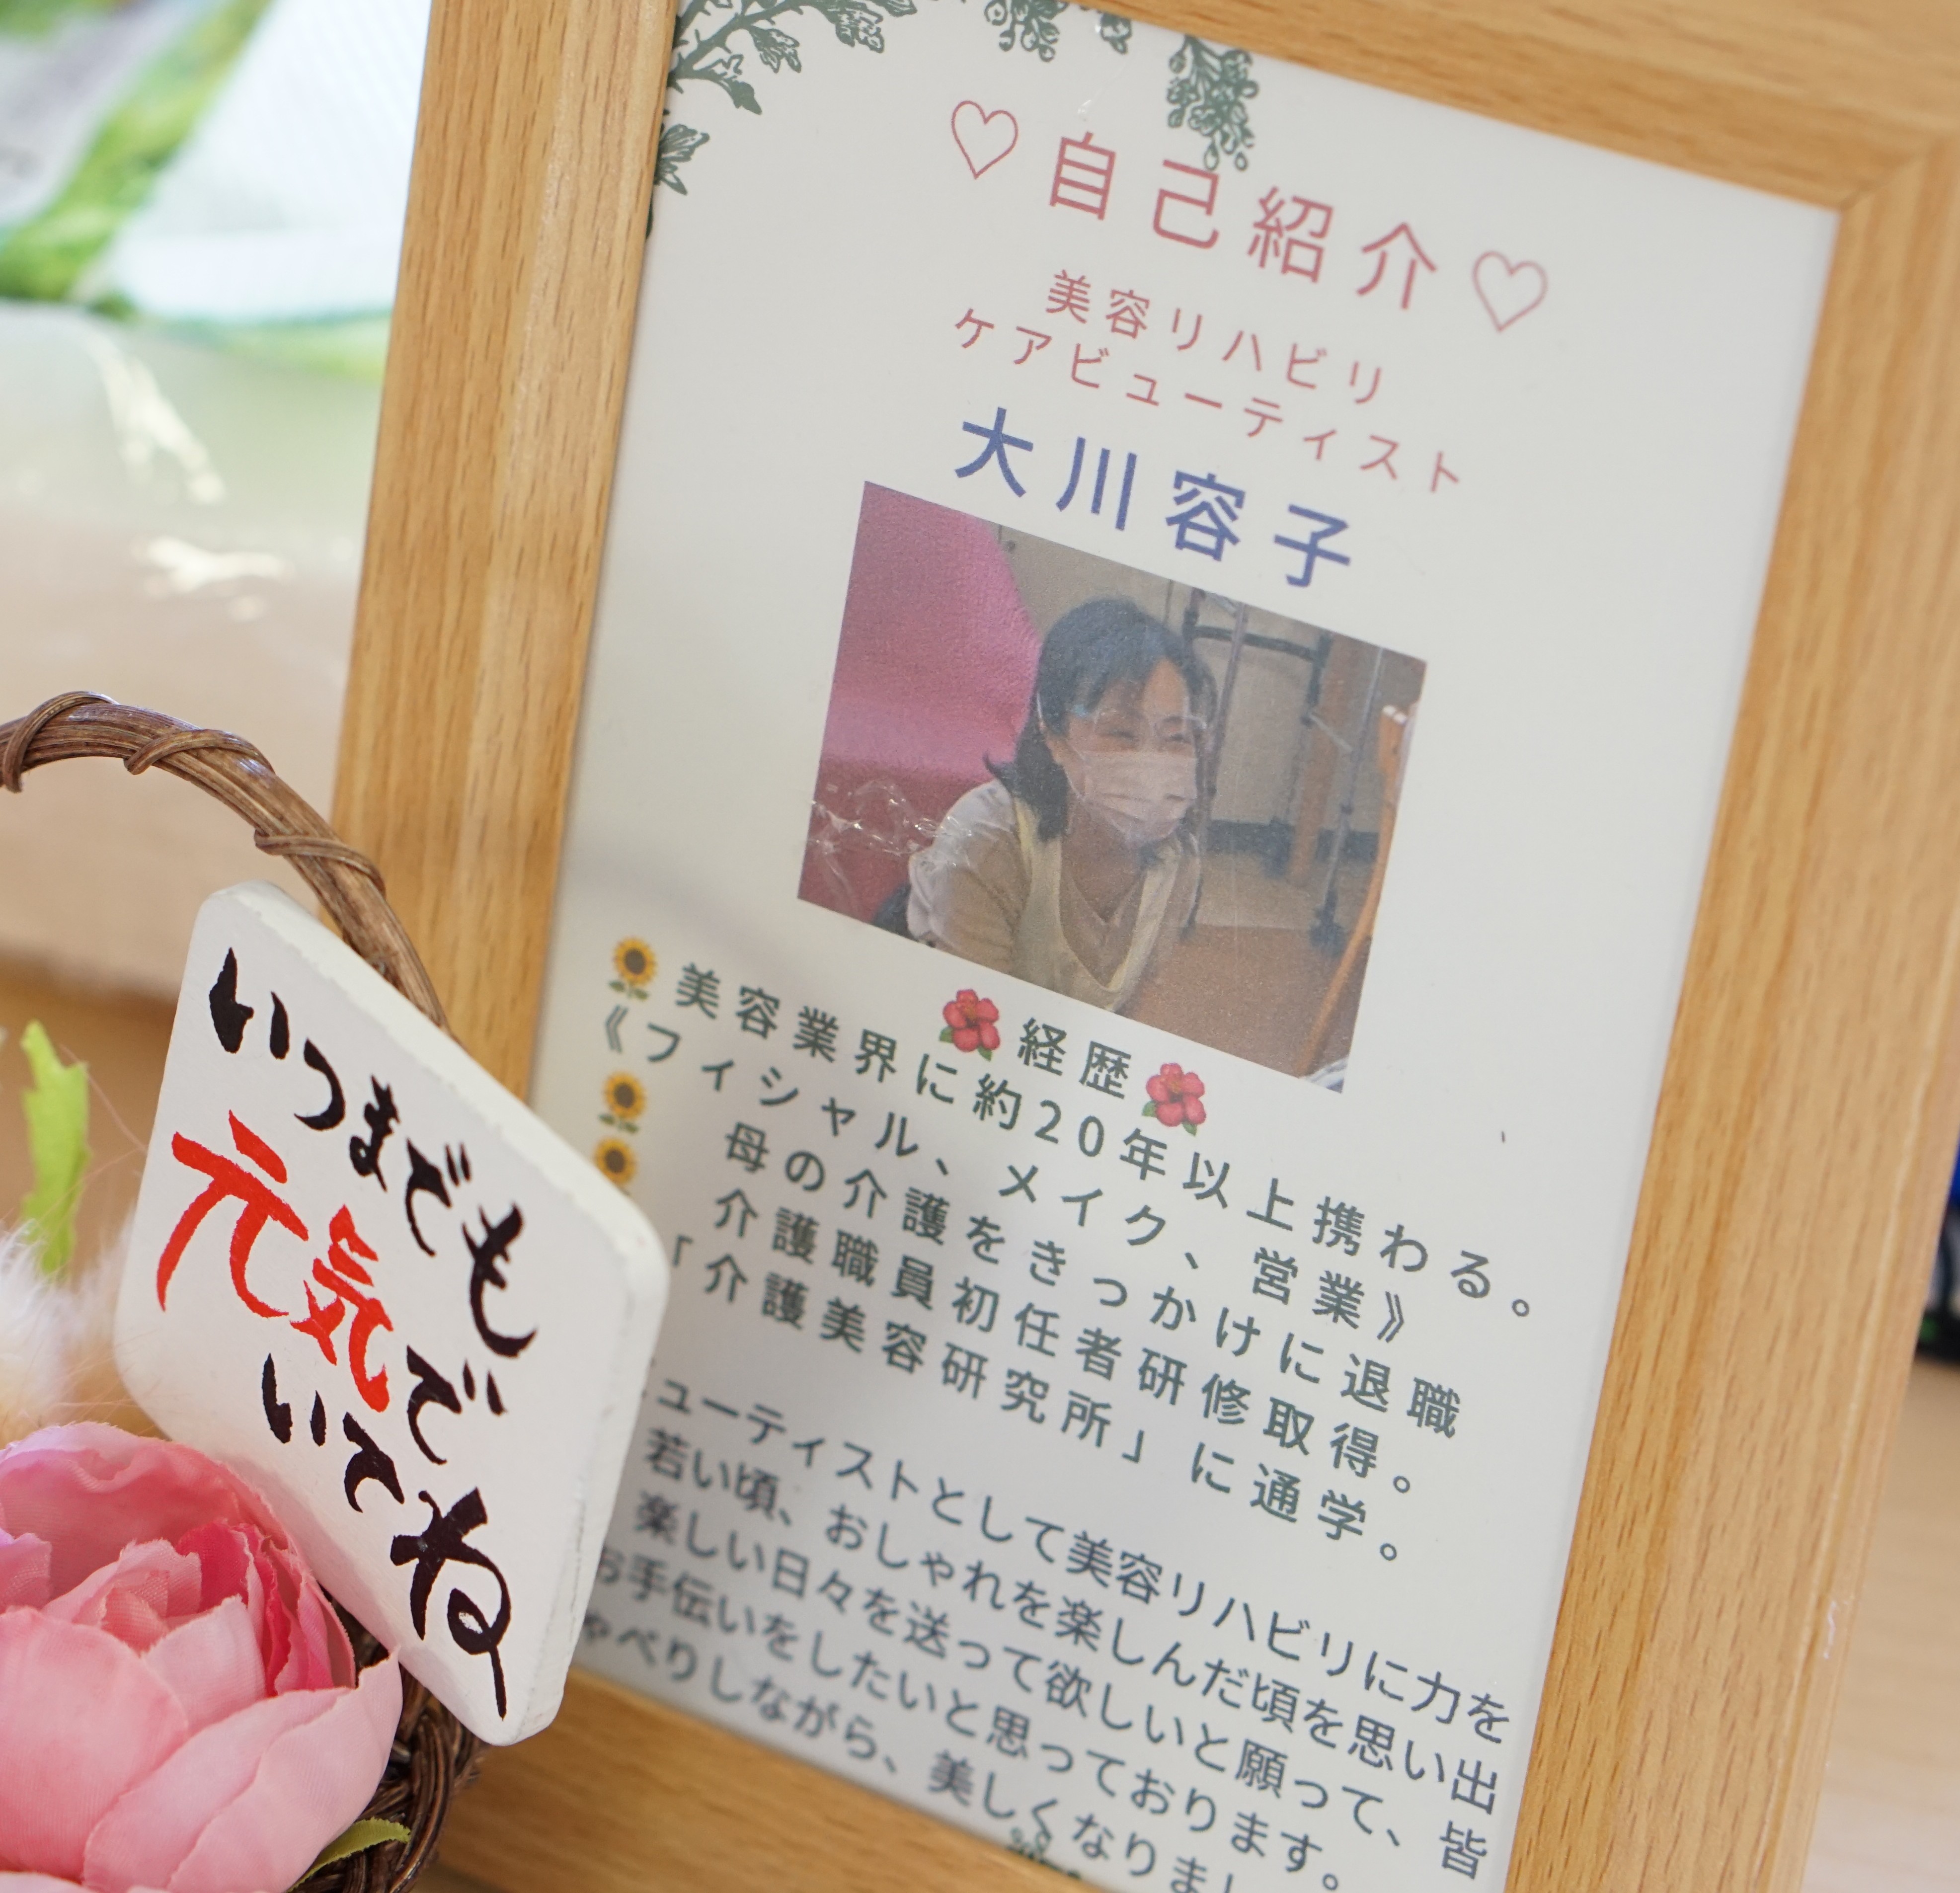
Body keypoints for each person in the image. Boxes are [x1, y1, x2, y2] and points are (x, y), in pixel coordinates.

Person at [903, 596, 1215, 1012]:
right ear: (1052, 734)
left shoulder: (1177, 862)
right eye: (1121, 733)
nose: (1151, 761)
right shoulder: (990, 840)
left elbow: (1123, 1010)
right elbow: (969, 1024)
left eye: (1176, 738)